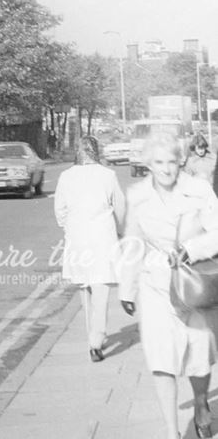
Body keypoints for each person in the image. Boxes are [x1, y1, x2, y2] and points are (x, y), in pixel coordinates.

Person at [119, 133, 218, 439]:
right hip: (156, 286)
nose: (166, 169)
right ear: (148, 164)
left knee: (198, 355)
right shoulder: (136, 195)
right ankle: (172, 432)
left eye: (172, 162)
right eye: (158, 162)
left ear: (181, 162)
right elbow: (132, 241)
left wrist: (193, 249)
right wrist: (126, 287)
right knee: (161, 359)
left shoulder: (199, 191)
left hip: (194, 285)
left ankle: (201, 402)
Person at [54, 135, 125, 362]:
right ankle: (97, 341)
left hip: (78, 240)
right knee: (101, 290)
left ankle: (91, 339)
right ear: (97, 151)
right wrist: (121, 230)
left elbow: (60, 210)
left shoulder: (66, 176)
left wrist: (69, 227)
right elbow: (120, 207)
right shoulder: (108, 175)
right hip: (103, 239)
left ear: (78, 151)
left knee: (85, 291)